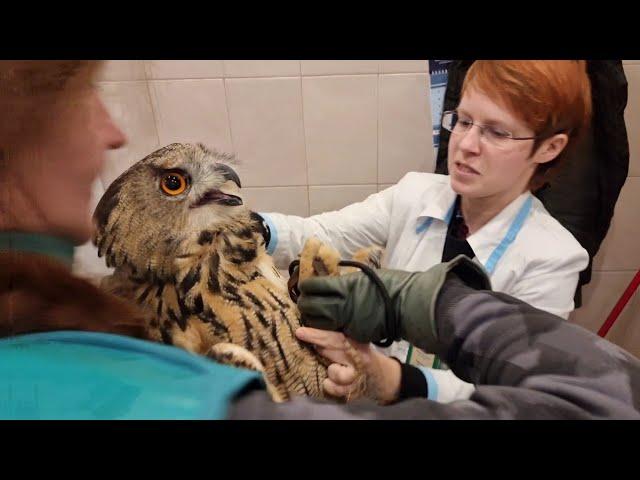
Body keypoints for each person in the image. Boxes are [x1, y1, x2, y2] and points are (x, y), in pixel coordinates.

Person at [257, 60, 593, 403]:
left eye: (496, 132)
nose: (466, 144)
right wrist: (249, 227)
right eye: (463, 121)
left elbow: (513, 390)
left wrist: (393, 379)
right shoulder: (414, 194)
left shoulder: (554, 259)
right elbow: (321, 233)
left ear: (550, 147)